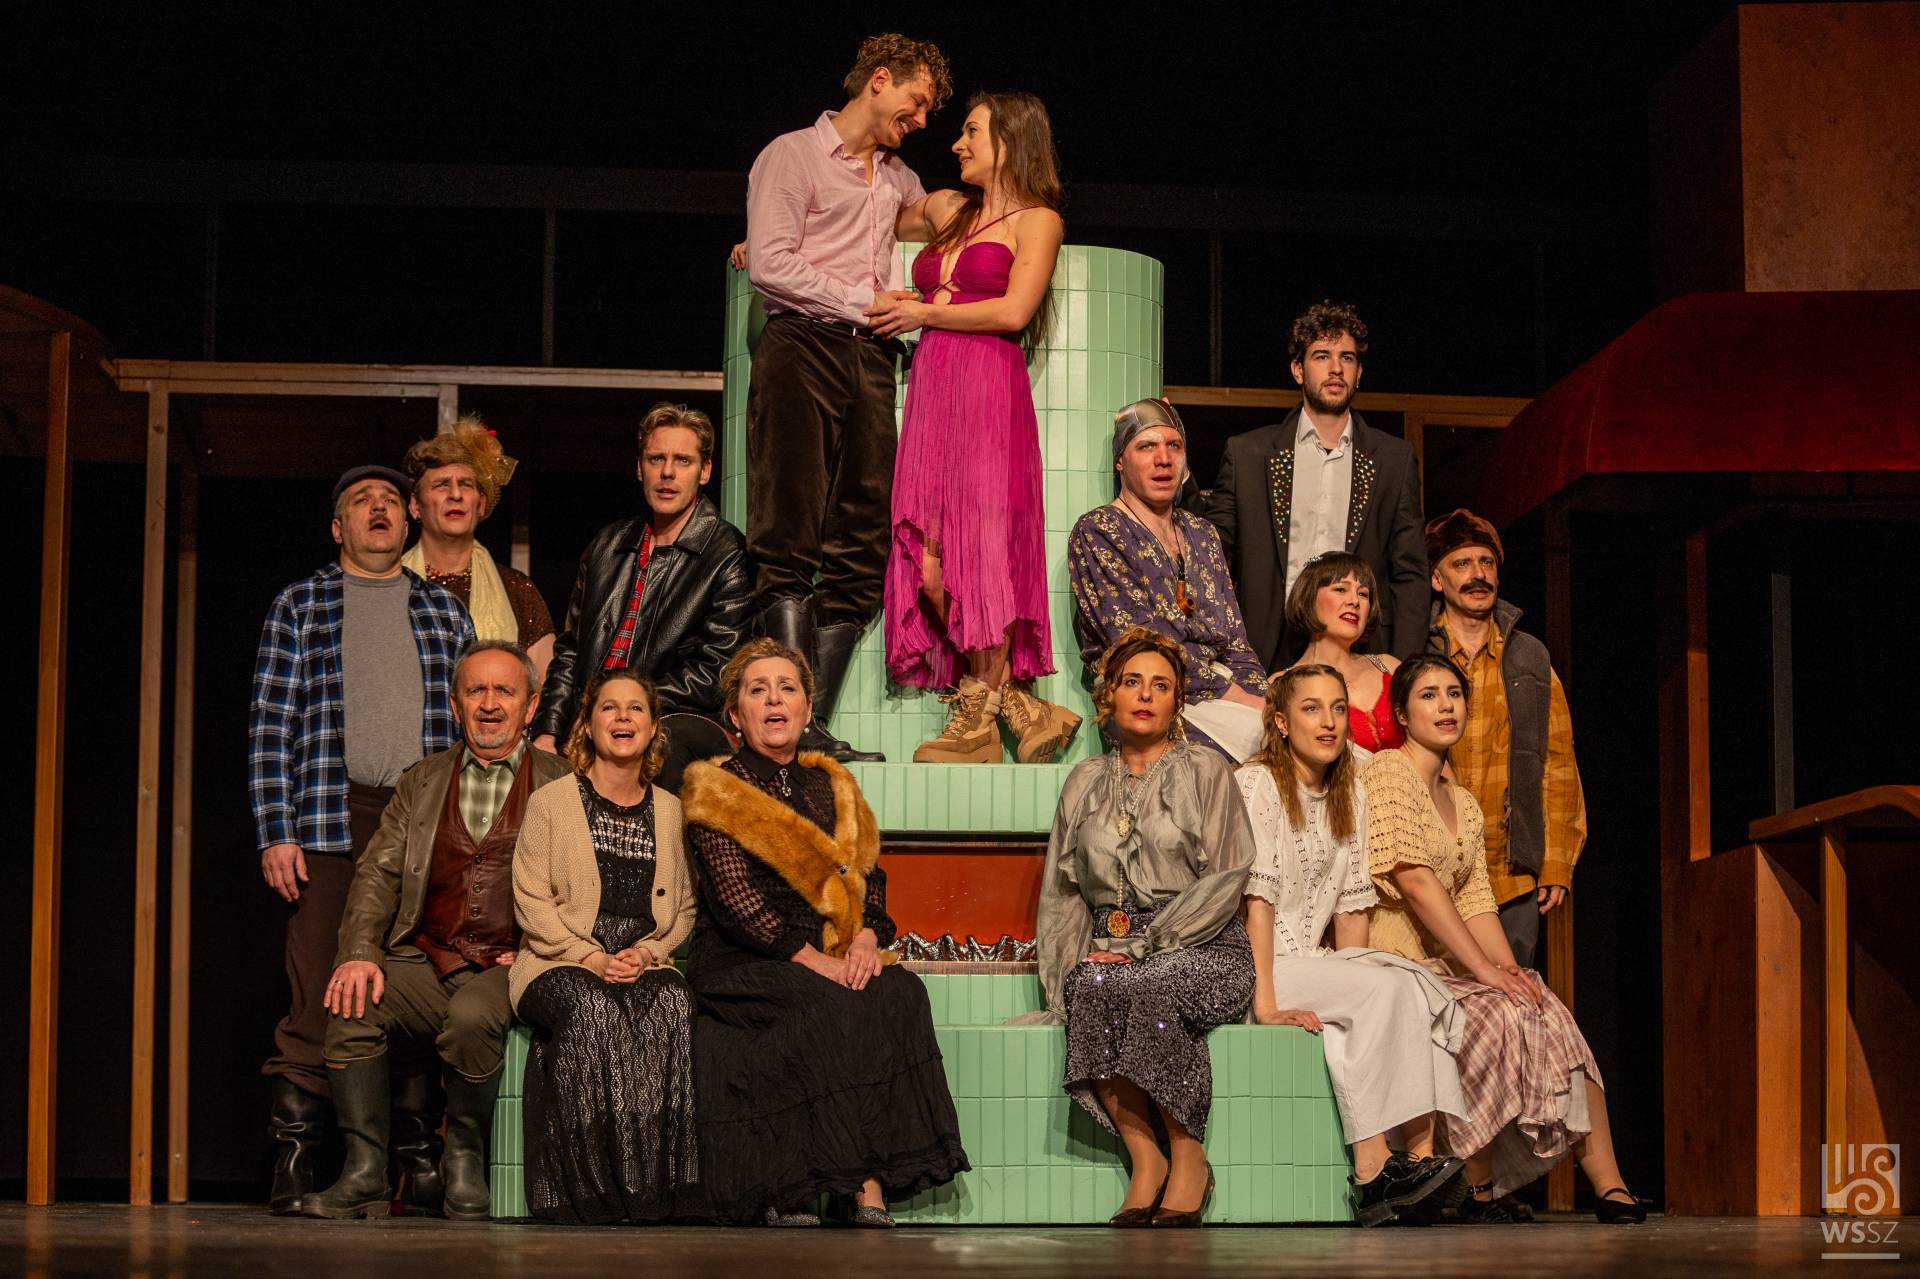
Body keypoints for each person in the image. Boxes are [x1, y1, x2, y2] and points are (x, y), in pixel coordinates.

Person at [679, 638, 968, 1226]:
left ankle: (864, 1178)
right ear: (735, 714)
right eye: (758, 691)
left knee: (900, 992)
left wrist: (865, 941)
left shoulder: (832, 784)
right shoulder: (715, 788)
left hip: (832, 949)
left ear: (808, 709)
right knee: (831, 1002)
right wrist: (820, 963)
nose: (774, 700)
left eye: (787, 688)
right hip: (744, 959)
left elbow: (869, 879)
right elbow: (737, 905)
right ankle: (851, 1185)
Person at [251, 464, 472, 1215]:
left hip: (419, 825)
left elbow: (469, 726)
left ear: (408, 522)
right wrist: (276, 831)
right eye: (359, 502)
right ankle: (296, 1153)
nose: (377, 510)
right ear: (337, 526)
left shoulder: (442, 608)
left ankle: (415, 1159)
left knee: (408, 981)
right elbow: (271, 723)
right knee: (320, 982)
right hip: (327, 816)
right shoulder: (302, 603)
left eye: (388, 502)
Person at [1362, 656, 1647, 1224]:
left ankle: (1609, 1184)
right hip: (1392, 962)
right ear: (1402, 714)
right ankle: (1477, 1187)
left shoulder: (1463, 803)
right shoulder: (1387, 772)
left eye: (1454, 694)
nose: (1446, 705)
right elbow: (1415, 880)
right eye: (1429, 695)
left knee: (1536, 1000)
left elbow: (1475, 902)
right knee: (1497, 1008)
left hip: (1443, 965)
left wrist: (1508, 970)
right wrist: (1486, 972)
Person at [297, 640, 566, 1220]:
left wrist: (543, 949)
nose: (489, 704)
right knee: (352, 1004)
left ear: (530, 706)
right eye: (476, 691)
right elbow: (377, 874)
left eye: (504, 691)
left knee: (470, 1019)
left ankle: (464, 1155)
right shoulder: (422, 781)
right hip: (427, 957)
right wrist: (360, 952)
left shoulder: (563, 783)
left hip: (511, 964)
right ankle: (365, 1174)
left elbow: (584, 888)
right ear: (455, 703)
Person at [744, 33, 953, 763]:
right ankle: (788, 725)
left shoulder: (897, 177)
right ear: (880, 80)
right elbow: (770, 263)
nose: (920, 120)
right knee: (788, 530)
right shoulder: (792, 155)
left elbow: (931, 216)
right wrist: (864, 303)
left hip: (871, 357)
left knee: (863, 543)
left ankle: (811, 727)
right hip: (803, 342)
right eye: (916, 102)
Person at [865, 90, 1080, 766]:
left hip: (989, 390)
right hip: (935, 392)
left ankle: (978, 723)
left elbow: (1014, 312)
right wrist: (775, 235)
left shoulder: (1039, 220)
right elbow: (864, 213)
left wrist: (924, 312)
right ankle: (1020, 706)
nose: (957, 144)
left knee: (979, 554)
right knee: (929, 565)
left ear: (1011, 141)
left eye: (972, 131)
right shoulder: (947, 210)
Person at [1031, 627, 1255, 1227]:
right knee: (1090, 987)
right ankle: (1146, 1158)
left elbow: (1228, 874)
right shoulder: (1083, 780)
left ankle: (1189, 1154)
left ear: (1178, 700)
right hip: (1113, 948)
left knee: (1148, 983)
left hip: (1205, 944)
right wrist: (1062, 977)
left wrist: (1147, 945)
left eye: (1162, 685)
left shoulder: (1206, 769)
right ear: (1110, 694)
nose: (1146, 694)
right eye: (1132, 682)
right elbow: (1062, 894)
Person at [1236, 664, 1467, 1226]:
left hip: (1311, 962)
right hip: (1257, 962)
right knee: (1384, 989)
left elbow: (1351, 910)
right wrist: (1266, 1006)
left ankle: (1417, 1164)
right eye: (1312, 708)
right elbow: (1256, 903)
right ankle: (1378, 1167)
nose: (1329, 721)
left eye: (1338, 708)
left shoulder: (1350, 793)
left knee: (1415, 984)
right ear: (1281, 722)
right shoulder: (1258, 783)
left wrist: (1352, 975)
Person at [511, 669, 701, 1224]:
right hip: (555, 960)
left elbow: (685, 908)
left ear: (653, 726)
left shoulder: (672, 811)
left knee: (673, 1003)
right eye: (609, 707)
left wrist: (647, 954)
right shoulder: (550, 803)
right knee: (593, 1006)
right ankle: (593, 1192)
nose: (622, 717)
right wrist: (589, 957)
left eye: (635, 708)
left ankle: (657, 1192)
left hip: (641, 959)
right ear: (589, 725)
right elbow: (530, 900)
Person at [533, 402, 751, 792]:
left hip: (667, 724)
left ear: (705, 471)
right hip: (589, 725)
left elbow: (717, 672)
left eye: (683, 460)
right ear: (639, 468)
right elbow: (570, 653)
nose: (667, 472)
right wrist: (547, 731)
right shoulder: (607, 545)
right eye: (656, 459)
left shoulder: (725, 552)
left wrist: (624, 705)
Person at [1198, 301, 1427, 667]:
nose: (1336, 368)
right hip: (1267, 645)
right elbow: (1208, 549)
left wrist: (1406, 667)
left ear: (1359, 372)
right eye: (1322, 356)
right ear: (1298, 370)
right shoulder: (1249, 454)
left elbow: (1410, 573)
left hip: (1361, 649)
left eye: (1347, 358)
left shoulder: (1393, 460)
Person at [1424, 508, 1585, 969]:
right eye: (1462, 563)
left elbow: (1558, 762)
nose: (1478, 574)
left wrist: (1556, 861)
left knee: (1509, 994)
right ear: (1437, 579)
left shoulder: (1529, 657)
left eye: (1486, 563)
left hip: (1510, 873)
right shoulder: (1417, 652)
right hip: (1435, 869)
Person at [1068, 398, 1268, 761]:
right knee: (1249, 759)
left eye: (1174, 446)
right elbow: (1141, 644)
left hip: (1225, 692)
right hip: (1151, 696)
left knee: (1306, 740)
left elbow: (1237, 642)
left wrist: (1263, 696)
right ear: (1120, 460)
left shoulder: (1202, 534)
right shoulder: (1101, 531)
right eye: (1147, 446)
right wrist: (1238, 698)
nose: (1164, 459)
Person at [400, 416, 556, 684]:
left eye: (466, 484)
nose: (455, 494)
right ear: (415, 506)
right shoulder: (391, 585)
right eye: (441, 485)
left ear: (481, 504)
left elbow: (550, 688)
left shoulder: (516, 590)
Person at [1285, 552, 1402, 752]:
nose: (1354, 601)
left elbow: (1430, 748)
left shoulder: (1390, 667)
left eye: (1363, 594)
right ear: (1309, 597)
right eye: (1341, 589)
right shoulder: (1284, 684)